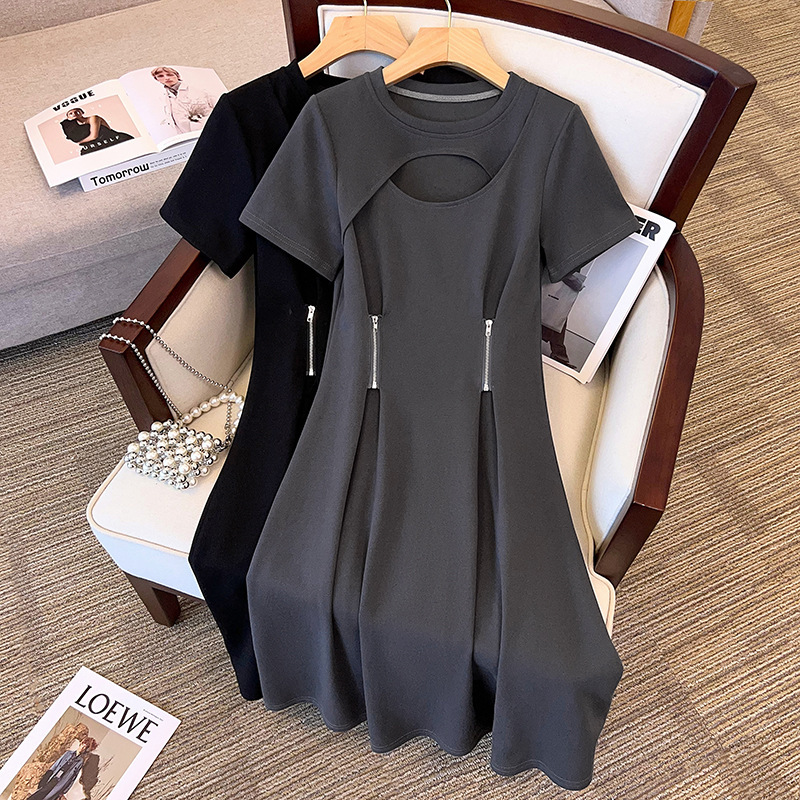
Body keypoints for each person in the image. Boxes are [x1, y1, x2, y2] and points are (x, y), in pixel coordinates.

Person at [25, 737, 99, 800]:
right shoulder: (68, 753)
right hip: (54, 777)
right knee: (41, 792)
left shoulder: (80, 762)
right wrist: (48, 774)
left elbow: (73, 778)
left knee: (49, 797)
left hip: (61, 783)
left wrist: (65, 790)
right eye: (83, 745)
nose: (83, 748)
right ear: (81, 743)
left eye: (85, 747)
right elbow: (56, 764)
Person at [151, 66, 216, 134]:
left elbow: (217, 105)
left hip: (209, 127)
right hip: (187, 134)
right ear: (157, 79)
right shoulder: (163, 98)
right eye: (160, 76)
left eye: (170, 74)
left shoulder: (198, 89)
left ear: (178, 76)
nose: (167, 78)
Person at [60, 108, 133, 155]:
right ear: (68, 117)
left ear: (82, 112)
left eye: (77, 111)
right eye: (70, 113)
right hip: (100, 144)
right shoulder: (76, 127)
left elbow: (94, 136)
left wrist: (80, 142)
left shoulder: (93, 118)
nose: (74, 114)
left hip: (115, 139)